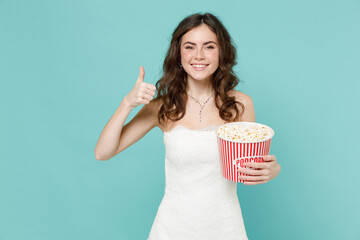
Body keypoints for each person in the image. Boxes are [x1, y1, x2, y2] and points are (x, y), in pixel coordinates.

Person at [95, 12, 281, 240]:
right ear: (178, 53)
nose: (199, 56)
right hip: (172, 230)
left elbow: (251, 168)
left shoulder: (240, 105)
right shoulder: (163, 107)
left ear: (221, 52)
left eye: (209, 46)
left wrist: (272, 170)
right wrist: (127, 103)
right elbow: (102, 152)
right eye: (190, 47)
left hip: (225, 228)